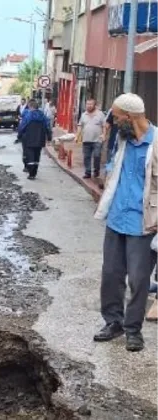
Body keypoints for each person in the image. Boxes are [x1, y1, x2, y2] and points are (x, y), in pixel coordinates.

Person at [93, 93, 158, 352]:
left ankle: (133, 329)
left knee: (139, 279)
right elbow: (112, 168)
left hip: (144, 223)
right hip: (117, 218)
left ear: (130, 118)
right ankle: (113, 322)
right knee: (111, 274)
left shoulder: (156, 143)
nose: (113, 121)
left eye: (117, 117)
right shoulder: (122, 139)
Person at [17, 99, 52, 180]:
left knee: (30, 156)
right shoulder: (43, 116)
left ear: (30, 107)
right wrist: (49, 137)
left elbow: (22, 126)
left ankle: (31, 174)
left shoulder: (28, 116)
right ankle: (34, 172)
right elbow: (47, 127)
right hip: (40, 139)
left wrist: (19, 135)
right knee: (37, 156)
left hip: (29, 139)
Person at [76, 98, 107, 179]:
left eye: (90, 104)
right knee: (86, 156)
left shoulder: (100, 114)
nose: (88, 106)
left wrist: (104, 135)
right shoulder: (83, 115)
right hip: (86, 139)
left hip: (97, 140)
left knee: (97, 155)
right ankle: (88, 172)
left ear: (94, 105)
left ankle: (96, 170)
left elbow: (104, 126)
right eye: (87, 104)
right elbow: (80, 126)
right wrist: (77, 136)